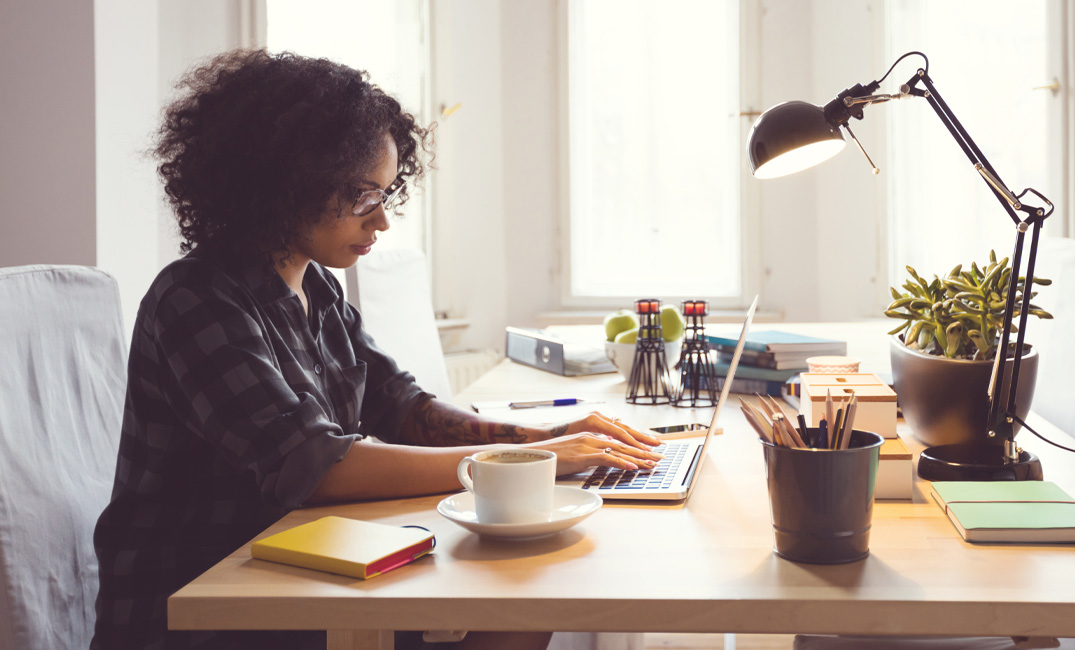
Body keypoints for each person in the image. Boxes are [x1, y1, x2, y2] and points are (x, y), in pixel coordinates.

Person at [90, 49, 662, 650]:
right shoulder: (195, 299)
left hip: (298, 571)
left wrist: (547, 441)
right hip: (199, 610)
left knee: (525, 593)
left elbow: (405, 410)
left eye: (385, 195)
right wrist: (523, 463)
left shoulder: (317, 289)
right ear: (286, 186)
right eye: (364, 197)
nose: (382, 221)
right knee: (517, 598)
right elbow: (314, 466)